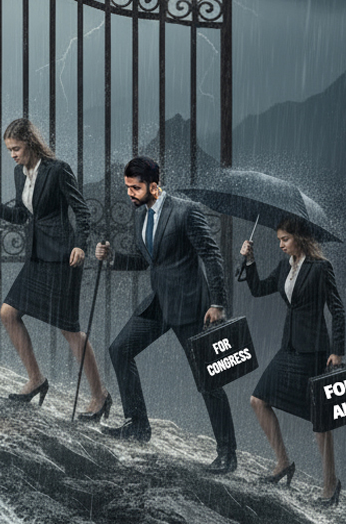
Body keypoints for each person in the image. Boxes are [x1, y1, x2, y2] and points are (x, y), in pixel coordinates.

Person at [94, 156, 238, 473]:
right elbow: (149, 262)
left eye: (136, 187)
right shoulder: (140, 216)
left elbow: (212, 257)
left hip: (192, 308)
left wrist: (218, 303)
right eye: (127, 187)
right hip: (160, 303)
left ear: (154, 186)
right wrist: (113, 258)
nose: (130, 193)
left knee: (207, 381)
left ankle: (228, 454)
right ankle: (138, 425)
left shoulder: (186, 212)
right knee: (120, 350)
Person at [0, 118, 109, 413]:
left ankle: (99, 396)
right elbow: (24, 216)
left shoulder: (58, 170)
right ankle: (36, 379)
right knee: (8, 313)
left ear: (31, 143)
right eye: (9, 150)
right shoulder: (19, 173)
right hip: (36, 259)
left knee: (69, 331)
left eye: (17, 148)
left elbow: (82, 212)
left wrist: (79, 245)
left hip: (63, 259)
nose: (13, 155)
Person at [240, 217, 346, 504]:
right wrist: (249, 262)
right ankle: (283, 463)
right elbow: (258, 289)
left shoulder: (320, 268)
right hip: (288, 348)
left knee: (320, 420)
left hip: (314, 353)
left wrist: (337, 350)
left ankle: (330, 484)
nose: (281, 244)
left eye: (285, 239)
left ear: (300, 238)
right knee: (258, 400)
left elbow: (337, 310)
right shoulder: (284, 268)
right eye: (279, 240)